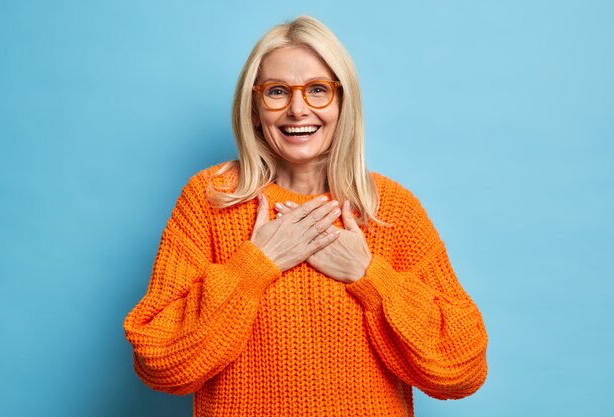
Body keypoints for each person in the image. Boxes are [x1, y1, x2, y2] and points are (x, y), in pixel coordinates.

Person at [124, 16, 488, 417]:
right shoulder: (211, 199)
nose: (298, 110)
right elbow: (159, 362)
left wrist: (369, 276)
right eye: (277, 92)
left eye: (318, 90)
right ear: (254, 106)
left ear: (343, 102)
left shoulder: (390, 209)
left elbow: (463, 368)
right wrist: (254, 266)